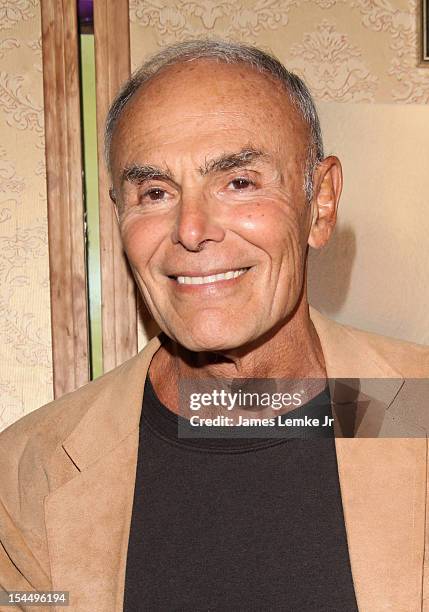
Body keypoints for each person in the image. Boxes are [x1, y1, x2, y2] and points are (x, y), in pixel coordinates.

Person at [1, 39, 428, 612]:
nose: (192, 229)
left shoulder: (411, 408)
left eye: (239, 182)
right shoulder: (32, 469)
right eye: (154, 192)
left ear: (320, 204)